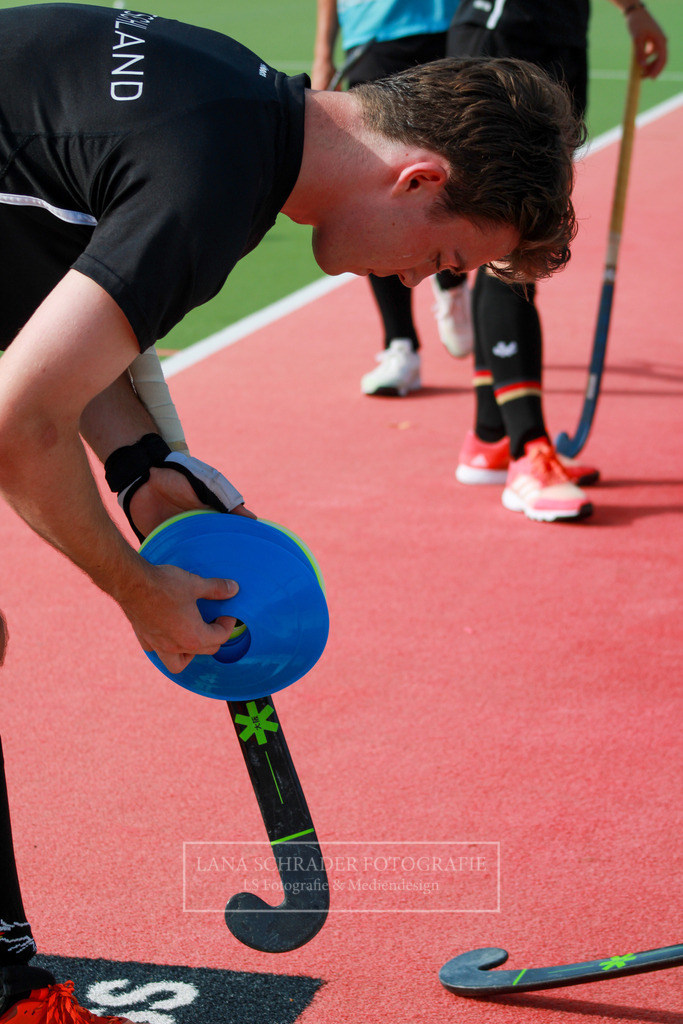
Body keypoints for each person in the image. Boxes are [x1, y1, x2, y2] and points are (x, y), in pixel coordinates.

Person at [0, 4, 583, 1019]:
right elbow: (19, 422)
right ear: (418, 179)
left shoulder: (237, 107)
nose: (416, 279)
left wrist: (141, 465)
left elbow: (32, 270)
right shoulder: (213, 182)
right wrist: (137, 590)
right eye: (444, 257)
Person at [443, 0, 668, 522]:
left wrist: (631, 9)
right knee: (510, 240)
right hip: (503, 38)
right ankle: (528, 450)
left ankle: (492, 435)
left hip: (557, 36)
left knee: (521, 236)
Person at [312, 0, 475, 397]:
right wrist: (323, 53)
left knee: (451, 172)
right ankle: (399, 345)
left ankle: (451, 280)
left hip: (445, 26)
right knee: (378, 191)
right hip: (372, 32)